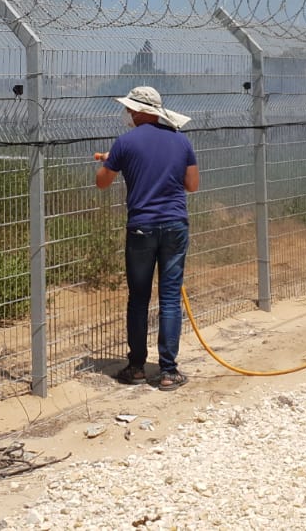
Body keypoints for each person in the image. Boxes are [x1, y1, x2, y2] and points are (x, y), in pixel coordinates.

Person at [94, 85, 200, 390]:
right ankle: (168, 371)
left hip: (141, 228)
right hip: (175, 226)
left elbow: (102, 183)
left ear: (140, 111)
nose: (127, 113)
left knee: (138, 298)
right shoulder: (181, 142)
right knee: (169, 297)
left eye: (129, 108)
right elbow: (192, 185)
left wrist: (112, 161)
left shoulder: (125, 143)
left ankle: (137, 367)